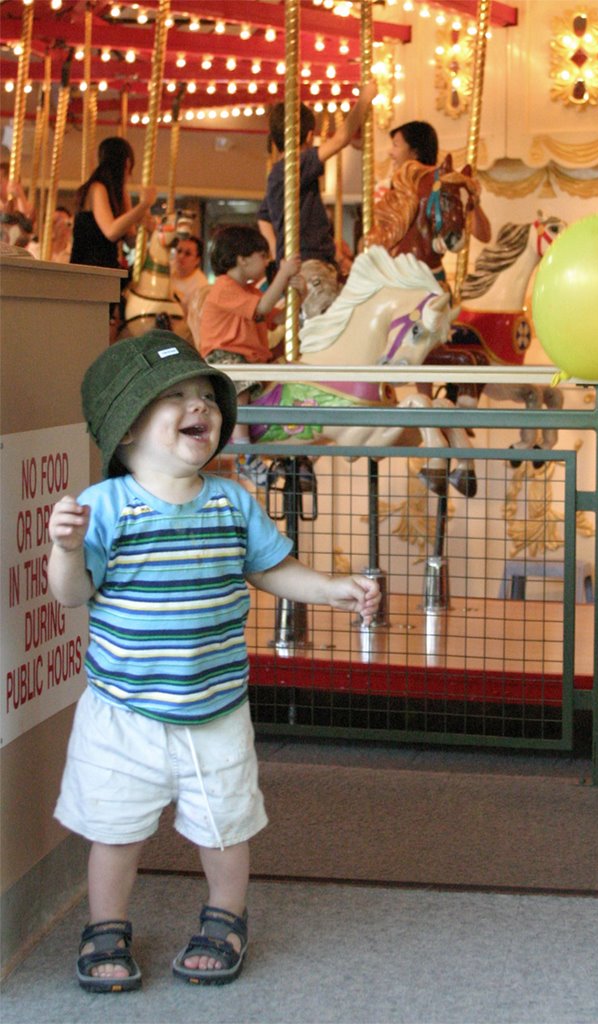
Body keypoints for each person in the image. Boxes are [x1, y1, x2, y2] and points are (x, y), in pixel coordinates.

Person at [48, 330, 380, 992]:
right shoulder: (103, 509)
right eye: (174, 397)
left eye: (205, 396)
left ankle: (226, 916)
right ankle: (106, 925)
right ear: (124, 432)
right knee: (113, 830)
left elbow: (273, 570)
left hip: (215, 709)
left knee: (223, 825)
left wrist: (332, 589)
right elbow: (73, 594)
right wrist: (63, 547)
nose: (199, 405)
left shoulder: (232, 502)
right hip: (124, 711)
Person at [197, 225, 301, 484]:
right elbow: (263, 308)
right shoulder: (224, 287)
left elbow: (278, 315)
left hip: (250, 359)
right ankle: (243, 451)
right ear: (243, 259)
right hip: (223, 357)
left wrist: (298, 293)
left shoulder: (250, 292)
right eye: (263, 256)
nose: (267, 262)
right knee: (240, 385)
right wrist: (284, 274)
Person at [257, 82, 377, 267]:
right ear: (309, 136)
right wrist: (365, 99)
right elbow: (339, 140)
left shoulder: (276, 174)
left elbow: (263, 217)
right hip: (311, 260)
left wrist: (277, 251)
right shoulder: (298, 164)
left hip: (298, 260)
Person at [71, 137, 157, 336]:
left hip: (108, 268)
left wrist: (145, 222)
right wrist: (143, 205)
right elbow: (110, 231)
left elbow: (129, 236)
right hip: (89, 267)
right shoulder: (97, 188)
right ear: (126, 163)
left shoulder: (118, 192)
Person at [380, 119, 492, 245]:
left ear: (414, 152)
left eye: (395, 145)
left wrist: (473, 202)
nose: (390, 152)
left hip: (424, 261)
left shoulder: (440, 184)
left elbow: (483, 234)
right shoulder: (395, 185)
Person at [170, 233, 208, 313]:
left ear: (197, 260)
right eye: (179, 251)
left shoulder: (201, 287)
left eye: (187, 254)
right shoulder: (166, 269)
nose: (181, 256)